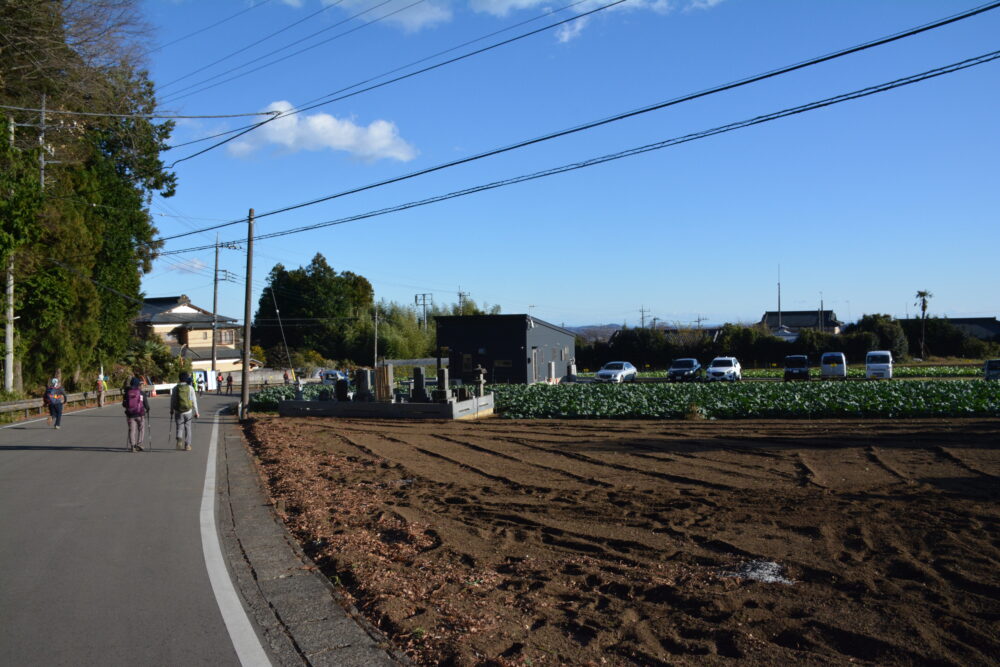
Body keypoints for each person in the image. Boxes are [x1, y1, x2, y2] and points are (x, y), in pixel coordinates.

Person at [170, 372, 200, 451]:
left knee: (179, 427)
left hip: (178, 411)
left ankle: (179, 438)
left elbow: (172, 400)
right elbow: (194, 401)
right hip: (188, 411)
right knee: (188, 428)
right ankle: (187, 445)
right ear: (187, 379)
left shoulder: (175, 388)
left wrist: (171, 410)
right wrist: (196, 412)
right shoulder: (190, 388)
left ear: (179, 378)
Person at [122, 376, 150, 452]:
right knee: (141, 429)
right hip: (140, 414)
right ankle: (139, 444)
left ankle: (133, 446)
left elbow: (124, 404)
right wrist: (147, 409)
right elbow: (146, 405)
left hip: (130, 415)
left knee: (132, 430)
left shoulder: (127, 392)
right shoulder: (141, 393)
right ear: (138, 384)